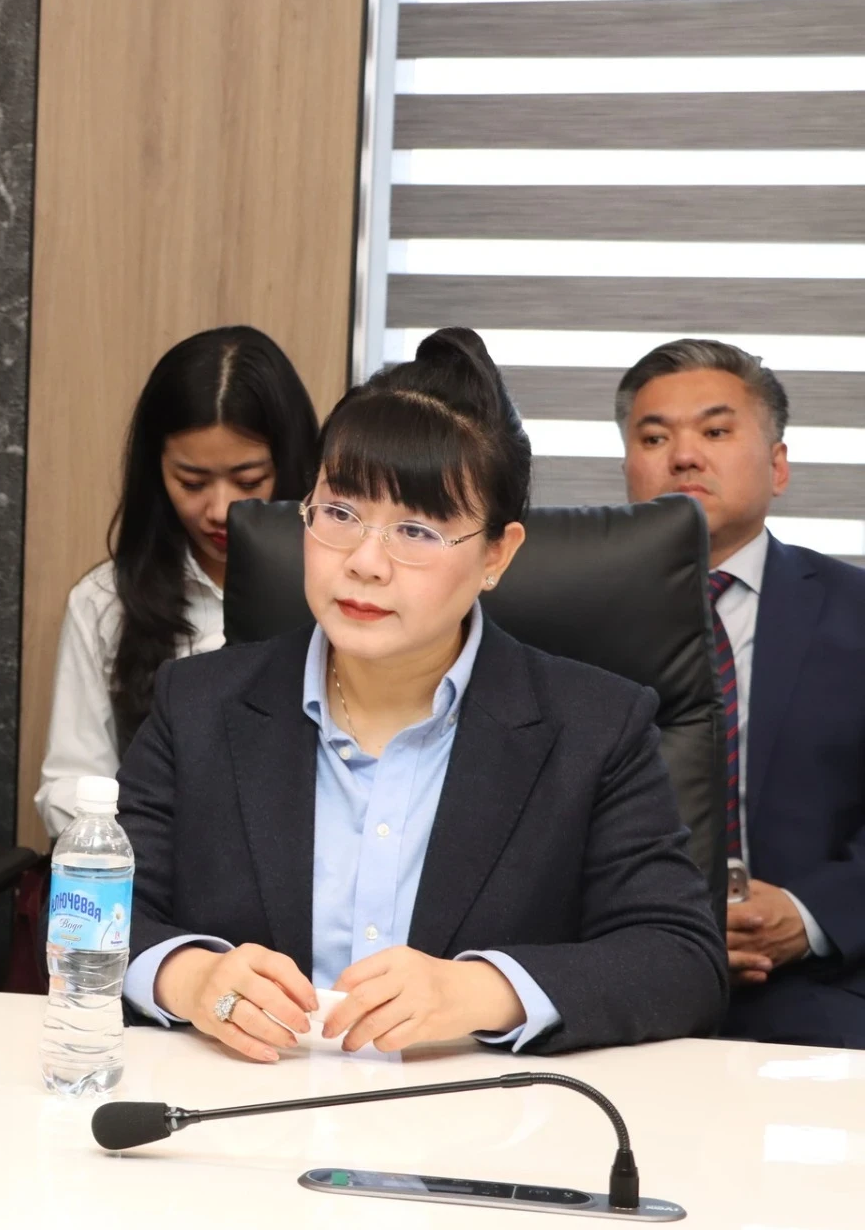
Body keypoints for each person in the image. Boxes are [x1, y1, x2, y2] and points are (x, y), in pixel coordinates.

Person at [118, 327, 726, 1059]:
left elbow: (680, 956)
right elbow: (91, 911)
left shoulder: (595, 728)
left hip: (479, 1111)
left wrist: (485, 990)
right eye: (339, 514)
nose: (365, 562)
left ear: (497, 554)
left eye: (416, 530)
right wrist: (189, 978)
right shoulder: (197, 705)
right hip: (244, 1098)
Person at [618, 339, 865, 1049]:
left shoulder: (856, 611)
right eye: (654, 438)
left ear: (778, 466)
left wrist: (809, 915)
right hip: (622, 987)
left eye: (716, 431)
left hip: (825, 990)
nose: (683, 456)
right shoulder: (567, 622)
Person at [35, 325, 319, 837]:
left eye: (249, 480)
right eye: (191, 482)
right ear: (156, 472)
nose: (220, 509)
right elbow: (69, 784)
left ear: (293, 462)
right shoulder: (106, 603)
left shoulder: (343, 592)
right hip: (154, 862)